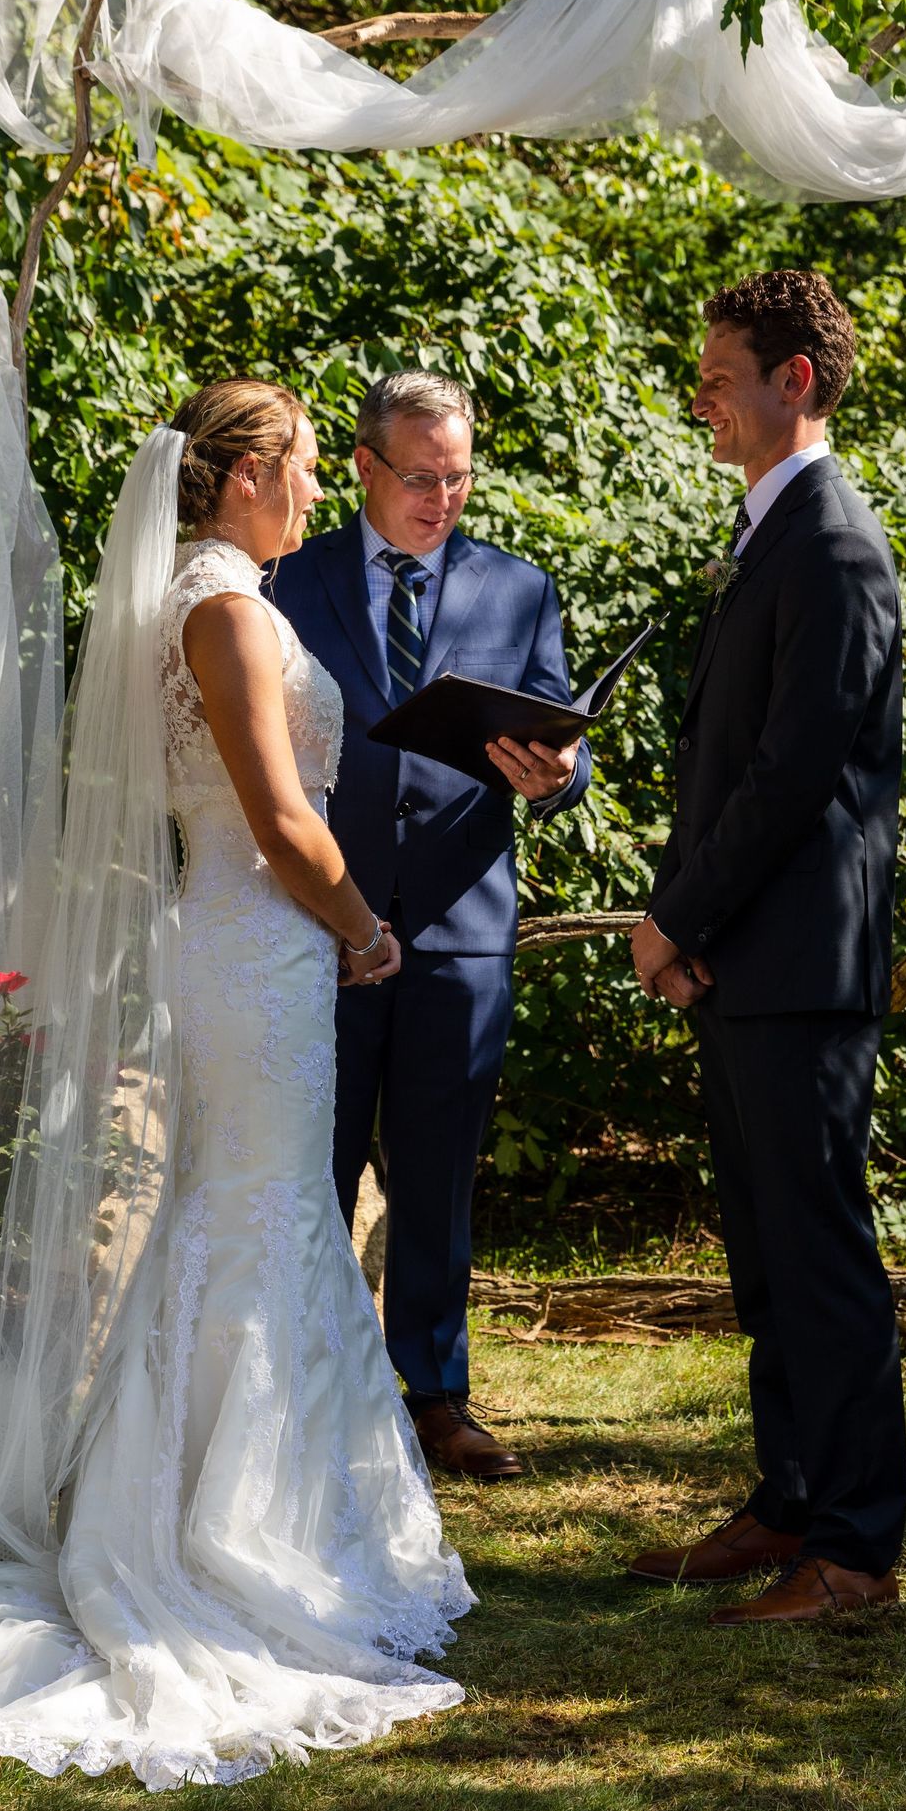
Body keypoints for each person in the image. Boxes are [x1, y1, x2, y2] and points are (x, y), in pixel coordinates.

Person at [0, 382, 471, 1787]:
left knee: (249, 1216)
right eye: (306, 466)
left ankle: (241, 1508)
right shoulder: (225, 609)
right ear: (244, 473)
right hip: (258, 946)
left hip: (246, 947)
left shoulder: (198, 597)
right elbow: (279, 815)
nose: (316, 490)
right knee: (257, 1218)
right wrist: (363, 925)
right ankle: (233, 1536)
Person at [626, 271, 906, 1625]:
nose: (703, 398)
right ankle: (789, 1499)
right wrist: (695, 927)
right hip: (746, 960)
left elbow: (793, 777)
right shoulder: (770, 534)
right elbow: (724, 764)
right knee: (767, 1255)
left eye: (720, 376)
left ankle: (853, 1552)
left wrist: (677, 916)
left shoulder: (836, 547)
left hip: (800, 964)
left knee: (822, 1257)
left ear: (795, 380)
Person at [272, 371, 591, 1481]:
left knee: (440, 1172)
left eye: (459, 479)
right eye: (420, 477)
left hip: (462, 924)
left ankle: (436, 1398)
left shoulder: (521, 589)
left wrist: (558, 775)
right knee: (308, 1161)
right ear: (364, 465)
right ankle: (307, 1388)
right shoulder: (286, 577)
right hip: (320, 921)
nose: (442, 499)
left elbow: (565, 745)